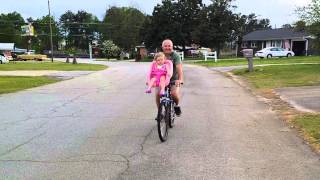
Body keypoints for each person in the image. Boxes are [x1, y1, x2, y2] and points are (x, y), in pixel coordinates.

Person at [156, 39, 184, 116]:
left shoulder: (175, 56)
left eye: (169, 46)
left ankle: (176, 106)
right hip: (162, 80)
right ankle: (160, 112)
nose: (167, 47)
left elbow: (179, 69)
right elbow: (154, 68)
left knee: (174, 93)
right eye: (165, 46)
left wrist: (180, 79)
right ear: (162, 47)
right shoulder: (159, 55)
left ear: (172, 47)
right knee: (158, 94)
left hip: (174, 79)